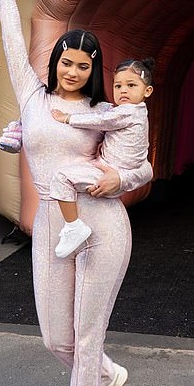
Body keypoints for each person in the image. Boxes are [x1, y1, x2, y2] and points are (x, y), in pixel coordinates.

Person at [0, 0, 152, 386]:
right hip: (53, 229)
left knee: (86, 333)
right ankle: (105, 376)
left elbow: (143, 166)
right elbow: (13, 39)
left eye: (84, 66)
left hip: (101, 226)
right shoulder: (33, 98)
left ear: (94, 70)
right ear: (56, 61)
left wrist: (120, 176)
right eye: (66, 61)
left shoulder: (107, 111)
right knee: (56, 337)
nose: (72, 71)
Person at [50, 57, 154, 258]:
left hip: (108, 173)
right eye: (118, 85)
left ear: (147, 91)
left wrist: (68, 117)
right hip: (111, 170)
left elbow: (100, 120)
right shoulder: (138, 113)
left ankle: (73, 226)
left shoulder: (128, 112)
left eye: (131, 85)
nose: (123, 90)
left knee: (61, 178)